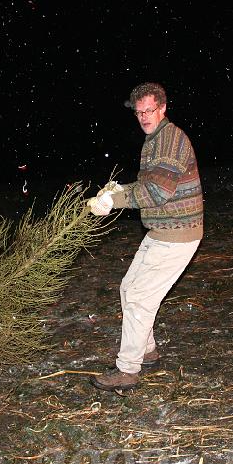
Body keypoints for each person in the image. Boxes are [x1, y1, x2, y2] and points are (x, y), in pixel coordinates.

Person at [87, 82, 203, 391]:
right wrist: (120, 190)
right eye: (139, 112)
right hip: (162, 229)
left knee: (139, 297)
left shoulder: (170, 140)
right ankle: (147, 350)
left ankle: (127, 370)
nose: (143, 117)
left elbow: (157, 191)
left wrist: (116, 201)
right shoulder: (155, 139)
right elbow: (149, 183)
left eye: (149, 110)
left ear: (163, 108)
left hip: (178, 233)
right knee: (129, 289)